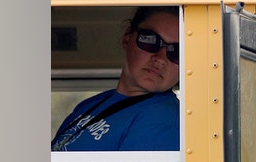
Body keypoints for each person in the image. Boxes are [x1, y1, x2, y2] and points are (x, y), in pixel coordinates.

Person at [52, 8, 180, 151]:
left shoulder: (163, 119)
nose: (160, 59)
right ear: (127, 38)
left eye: (177, 51)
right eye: (150, 40)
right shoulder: (90, 104)